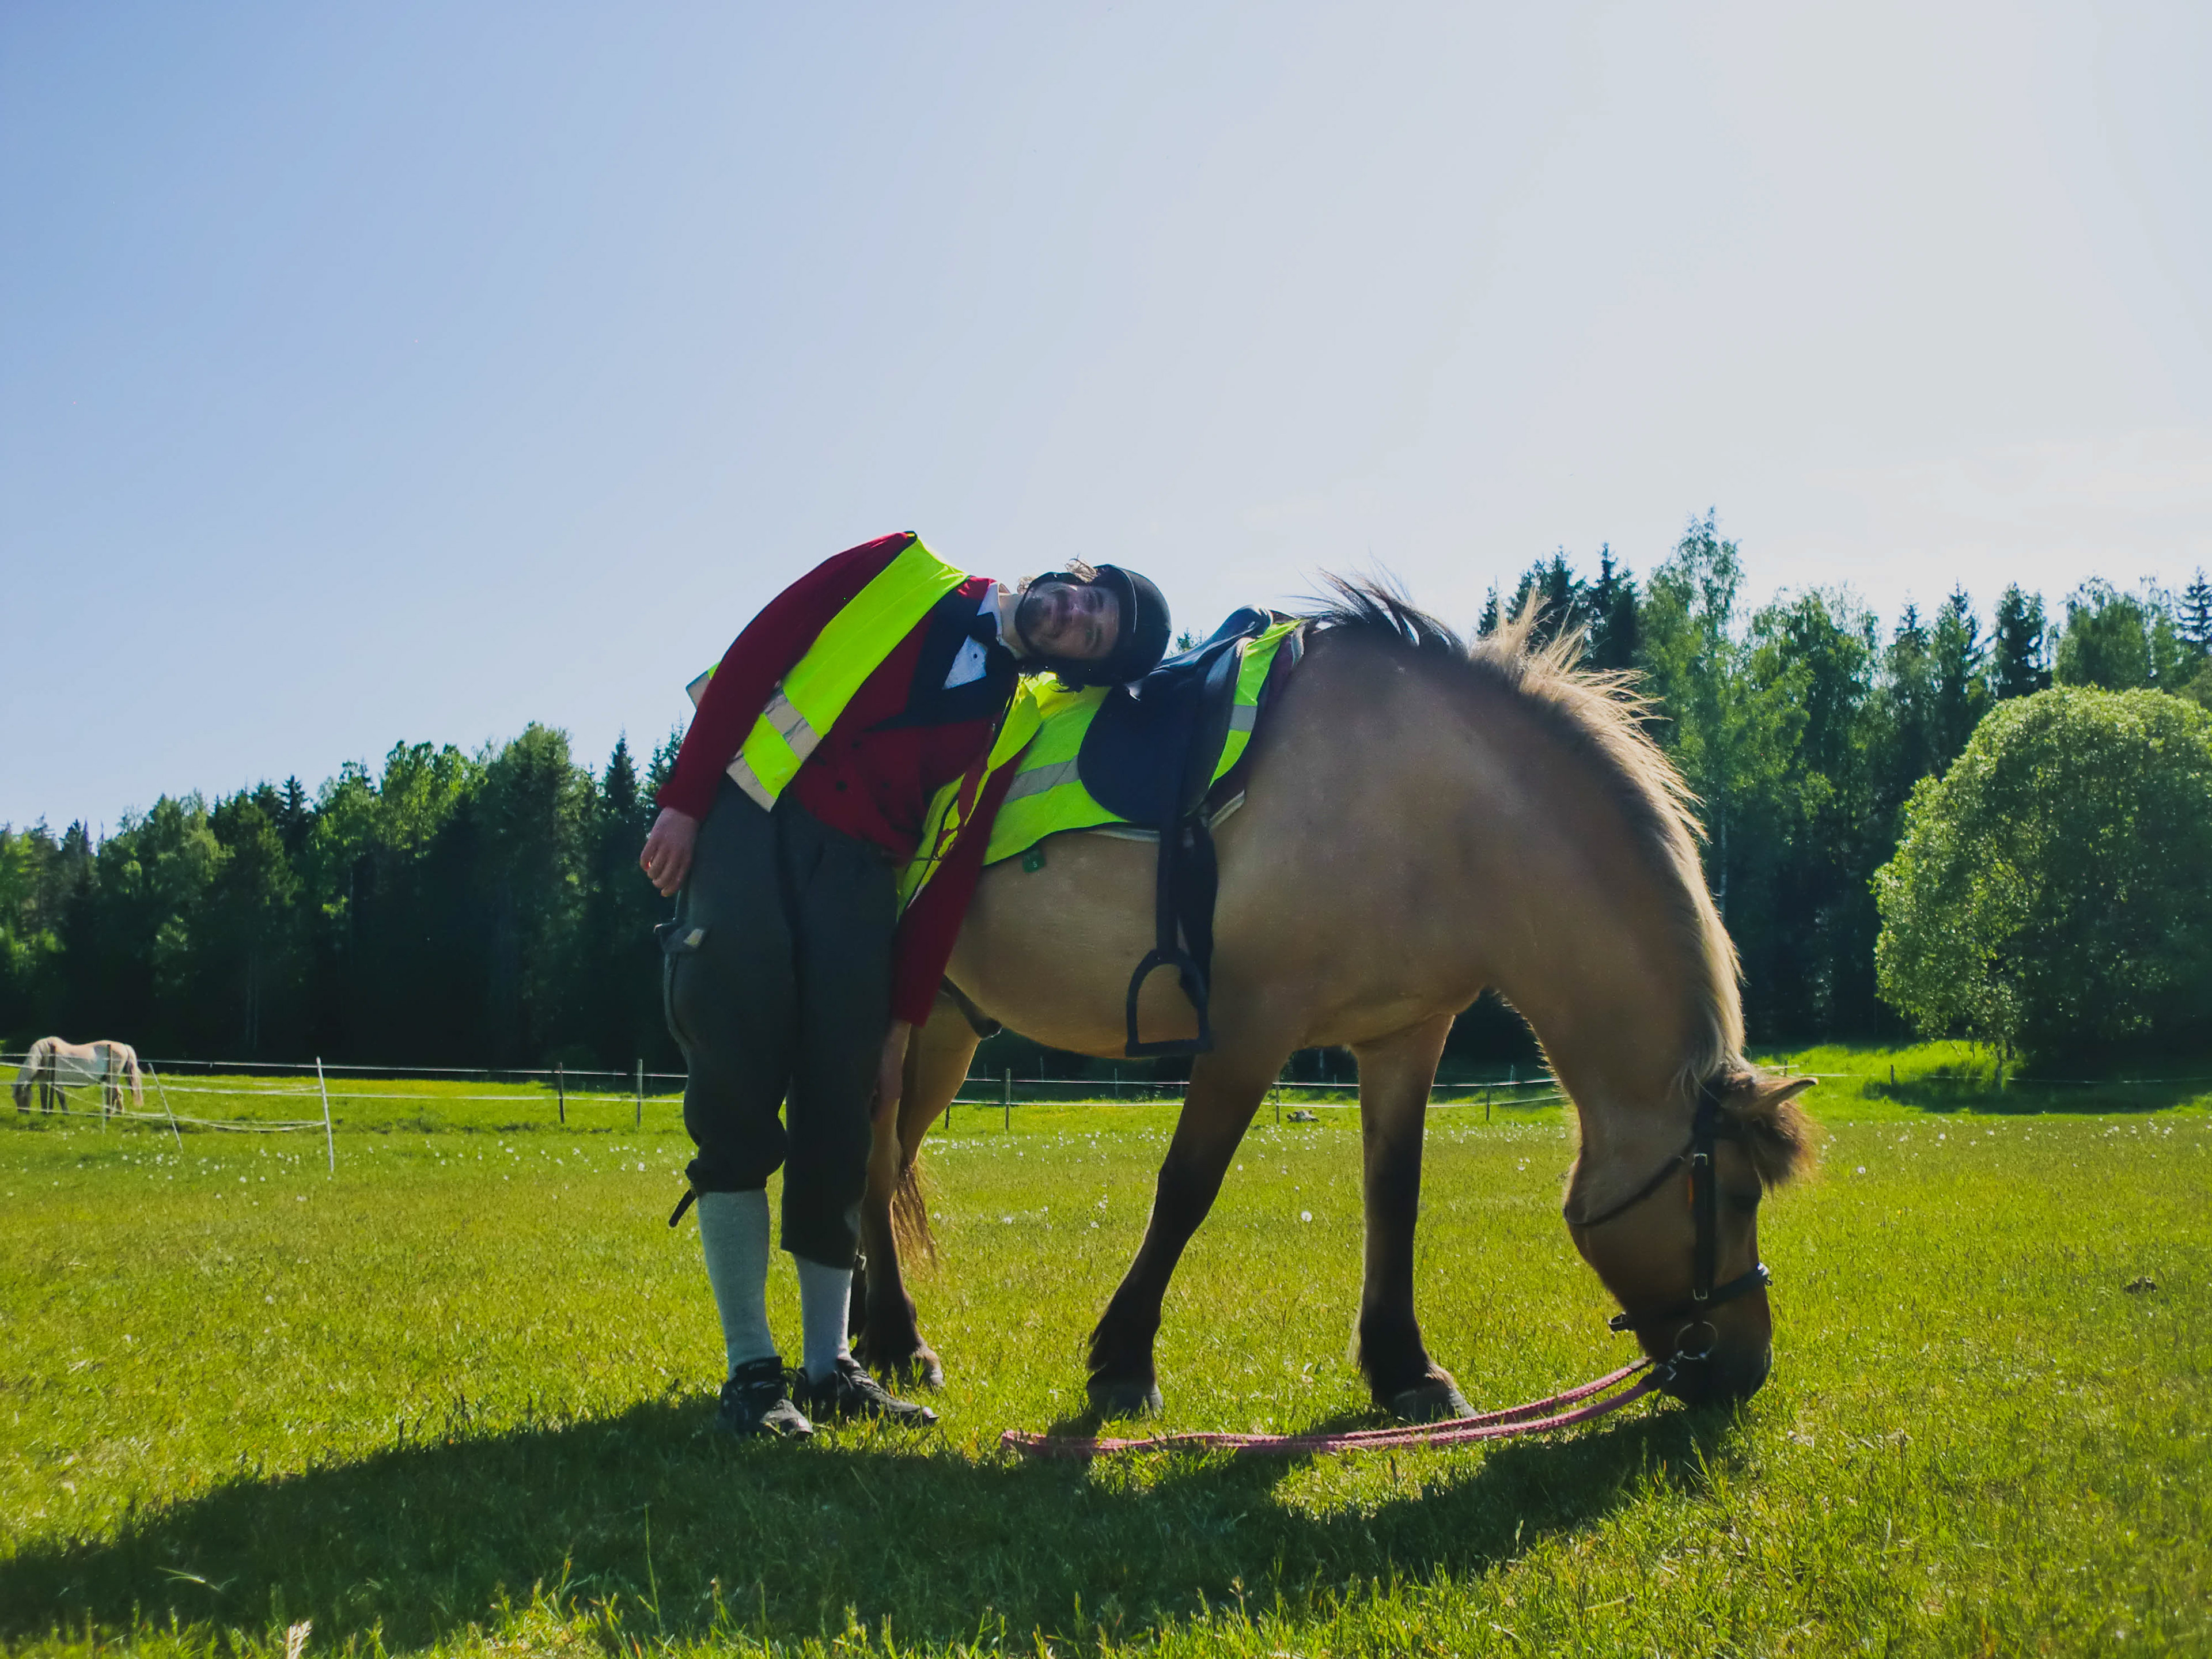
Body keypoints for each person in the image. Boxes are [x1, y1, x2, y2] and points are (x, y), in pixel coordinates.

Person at [640, 532, 1170, 1438]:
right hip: (750, 828)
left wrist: (898, 1030)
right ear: (1074, 577)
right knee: (734, 1096)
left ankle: (825, 1367)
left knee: (842, 1118)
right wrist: (686, 804)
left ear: (1073, 665)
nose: (1076, 618)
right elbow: (763, 647)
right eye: (1090, 601)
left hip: (857, 886)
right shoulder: (898, 563)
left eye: (1092, 635)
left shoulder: (1018, 719)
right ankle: (750, 1374)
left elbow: (951, 870)